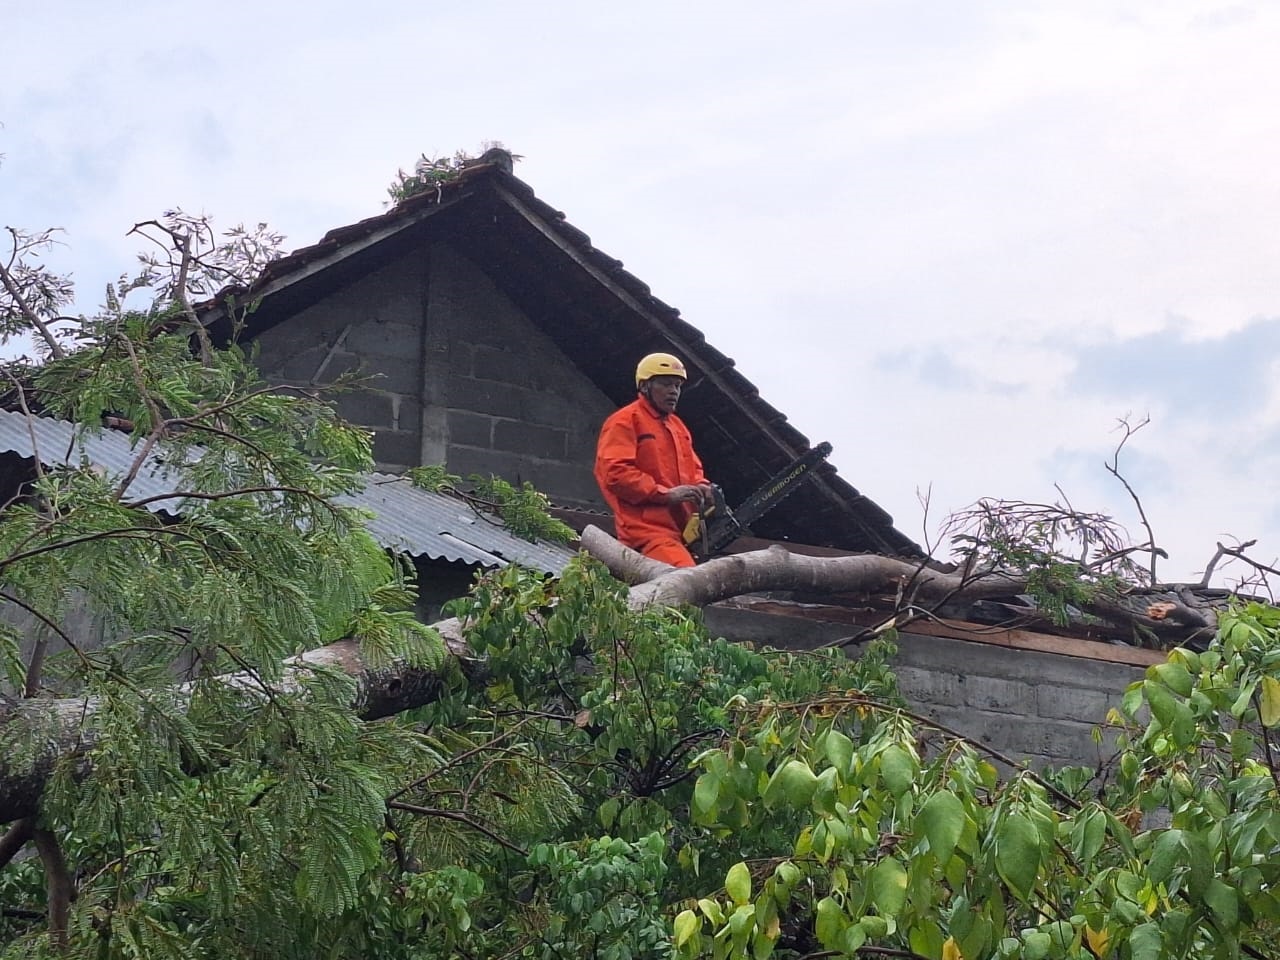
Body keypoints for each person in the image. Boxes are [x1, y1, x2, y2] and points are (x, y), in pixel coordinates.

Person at [594, 352, 714, 567]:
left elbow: (693, 470)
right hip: (647, 531)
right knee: (685, 577)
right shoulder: (625, 420)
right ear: (644, 386)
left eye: (677, 386)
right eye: (666, 384)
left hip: (683, 529)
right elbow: (615, 474)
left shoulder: (678, 427)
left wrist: (702, 487)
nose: (673, 391)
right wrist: (665, 494)